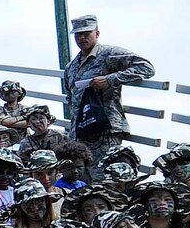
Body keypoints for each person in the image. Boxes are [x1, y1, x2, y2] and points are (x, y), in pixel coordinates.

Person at [58, 14, 155, 166]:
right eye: (78, 34)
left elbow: (146, 68)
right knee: (82, 180)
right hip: (81, 131)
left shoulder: (108, 54)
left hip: (104, 129)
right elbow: (70, 97)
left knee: (105, 176)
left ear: (97, 33)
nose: (82, 38)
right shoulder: (71, 66)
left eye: (86, 33)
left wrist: (110, 80)